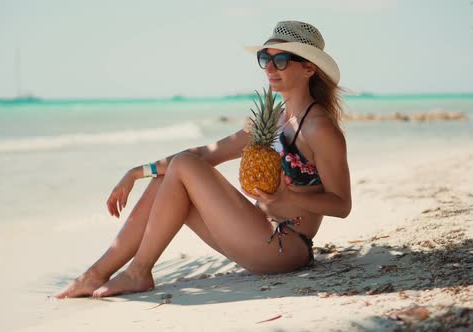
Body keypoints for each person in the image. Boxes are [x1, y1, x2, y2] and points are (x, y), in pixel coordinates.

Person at [54, 20, 351, 299]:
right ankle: (96, 274)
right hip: (253, 230)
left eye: (282, 59)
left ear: (309, 68)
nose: (270, 67)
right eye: (265, 58)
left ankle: (138, 271)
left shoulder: (319, 128)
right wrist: (135, 172)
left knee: (183, 165)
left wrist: (290, 195)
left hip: (286, 245)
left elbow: (342, 205)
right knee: (165, 179)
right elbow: (206, 154)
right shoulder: (271, 119)